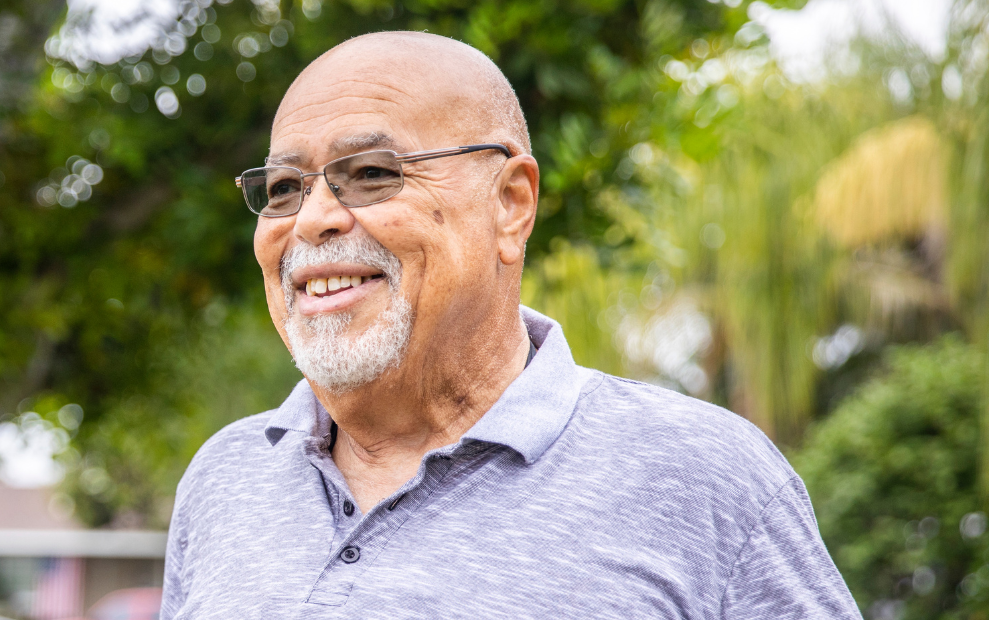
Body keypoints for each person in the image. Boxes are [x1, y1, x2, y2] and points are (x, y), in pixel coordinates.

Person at [160, 32, 861, 619]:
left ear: (511, 204)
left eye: (371, 172)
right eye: (283, 188)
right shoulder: (226, 478)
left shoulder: (703, 477)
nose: (312, 219)